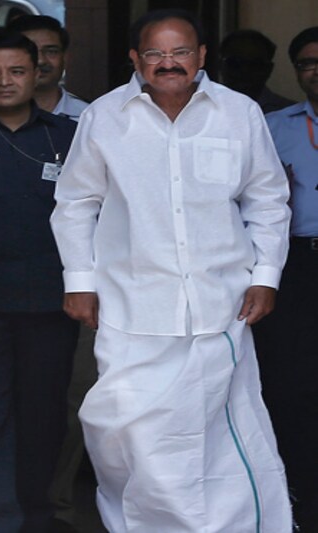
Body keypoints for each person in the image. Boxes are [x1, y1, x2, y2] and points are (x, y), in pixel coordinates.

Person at [49, 9, 292, 532]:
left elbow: (268, 201)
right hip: (129, 306)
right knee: (119, 432)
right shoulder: (105, 116)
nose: (168, 64)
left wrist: (265, 276)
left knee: (219, 439)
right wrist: (80, 282)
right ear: (135, 59)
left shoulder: (238, 112)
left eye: (180, 52)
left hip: (220, 306)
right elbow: (74, 203)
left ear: (201, 57)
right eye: (155, 54)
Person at [0, 30, 78, 533]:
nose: (4, 81)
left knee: (45, 415)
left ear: (40, 72)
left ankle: (38, 517)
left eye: (16, 70)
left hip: (52, 302)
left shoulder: (68, 136)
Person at [255, 25, 318, 531]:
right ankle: (297, 500)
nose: (316, 70)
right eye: (307, 62)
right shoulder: (272, 126)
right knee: (290, 385)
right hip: (293, 266)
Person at [6, 15, 88, 120]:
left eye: (51, 51)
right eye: (31, 52)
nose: (41, 61)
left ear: (65, 57)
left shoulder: (89, 116)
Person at [219, 29, 295, 114]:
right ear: (220, 65)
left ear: (269, 69)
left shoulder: (291, 114)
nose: (245, 71)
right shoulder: (203, 107)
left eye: (255, 64)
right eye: (236, 63)